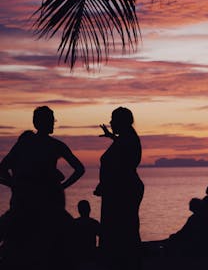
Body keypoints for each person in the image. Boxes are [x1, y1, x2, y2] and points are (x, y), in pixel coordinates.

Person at [0, 106, 85, 269]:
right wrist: (62, 186)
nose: (53, 123)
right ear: (41, 122)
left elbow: (3, 168)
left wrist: (14, 185)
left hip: (25, 202)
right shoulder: (56, 145)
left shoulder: (24, 144)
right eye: (51, 120)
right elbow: (79, 169)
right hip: (48, 205)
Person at [94, 107, 144, 270]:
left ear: (121, 122)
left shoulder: (127, 139)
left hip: (123, 190)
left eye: (113, 119)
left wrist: (106, 184)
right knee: (122, 227)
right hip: (120, 188)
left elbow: (121, 162)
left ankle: (125, 262)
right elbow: (122, 150)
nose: (110, 122)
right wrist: (112, 137)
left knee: (123, 228)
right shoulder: (127, 137)